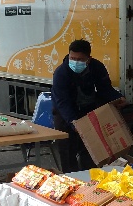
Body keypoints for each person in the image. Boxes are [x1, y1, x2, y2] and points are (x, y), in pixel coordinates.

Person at [51, 38, 125, 172]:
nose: (75, 62)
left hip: (88, 113)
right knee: (68, 153)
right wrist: (74, 123)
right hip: (65, 116)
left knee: (91, 152)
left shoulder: (97, 67)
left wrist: (118, 98)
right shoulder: (61, 73)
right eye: (72, 58)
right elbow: (63, 102)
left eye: (80, 59)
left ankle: (89, 179)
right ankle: (70, 179)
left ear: (88, 59)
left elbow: (105, 88)